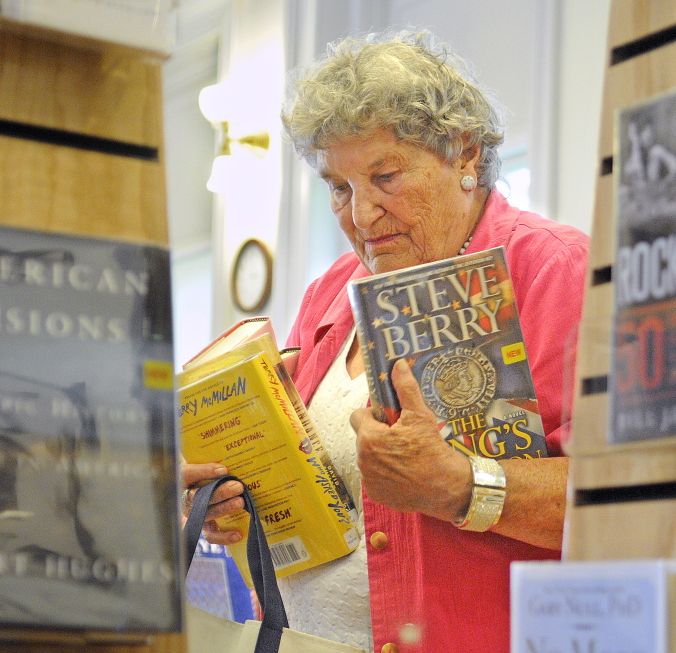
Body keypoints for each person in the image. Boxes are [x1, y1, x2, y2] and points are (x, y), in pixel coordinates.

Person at [182, 29, 589, 653]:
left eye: (386, 177)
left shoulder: (555, 271)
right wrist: (238, 509)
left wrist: (461, 485)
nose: (362, 215)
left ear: (465, 155)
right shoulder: (331, 290)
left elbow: (622, 501)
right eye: (339, 188)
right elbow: (316, 506)